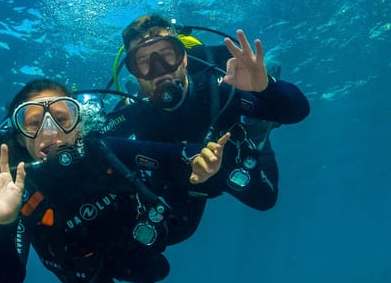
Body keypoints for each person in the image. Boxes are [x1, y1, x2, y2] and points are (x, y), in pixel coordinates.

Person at [0, 78, 229, 283]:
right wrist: (3, 222)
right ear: (20, 137)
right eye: (33, 124)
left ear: (79, 124)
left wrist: (201, 163)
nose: (49, 131)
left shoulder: (105, 151)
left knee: (185, 216)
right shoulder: (20, 192)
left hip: (144, 242)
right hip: (89, 277)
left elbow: (177, 155)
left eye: (61, 117)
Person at [102, 14, 310, 217]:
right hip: (184, 181)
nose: (159, 69)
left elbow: (298, 111)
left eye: (166, 53)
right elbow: (97, 144)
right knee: (172, 232)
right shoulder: (133, 110)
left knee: (265, 198)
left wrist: (265, 88)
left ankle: (256, 128)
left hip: (233, 160)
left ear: (183, 58)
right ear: (134, 72)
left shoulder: (218, 87)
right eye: (143, 61)